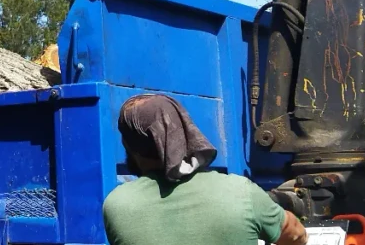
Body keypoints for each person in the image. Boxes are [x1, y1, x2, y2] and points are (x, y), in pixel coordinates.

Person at [103, 94, 309, 245]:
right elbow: (296, 234)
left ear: (129, 146)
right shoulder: (239, 191)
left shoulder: (116, 205)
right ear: (183, 130)